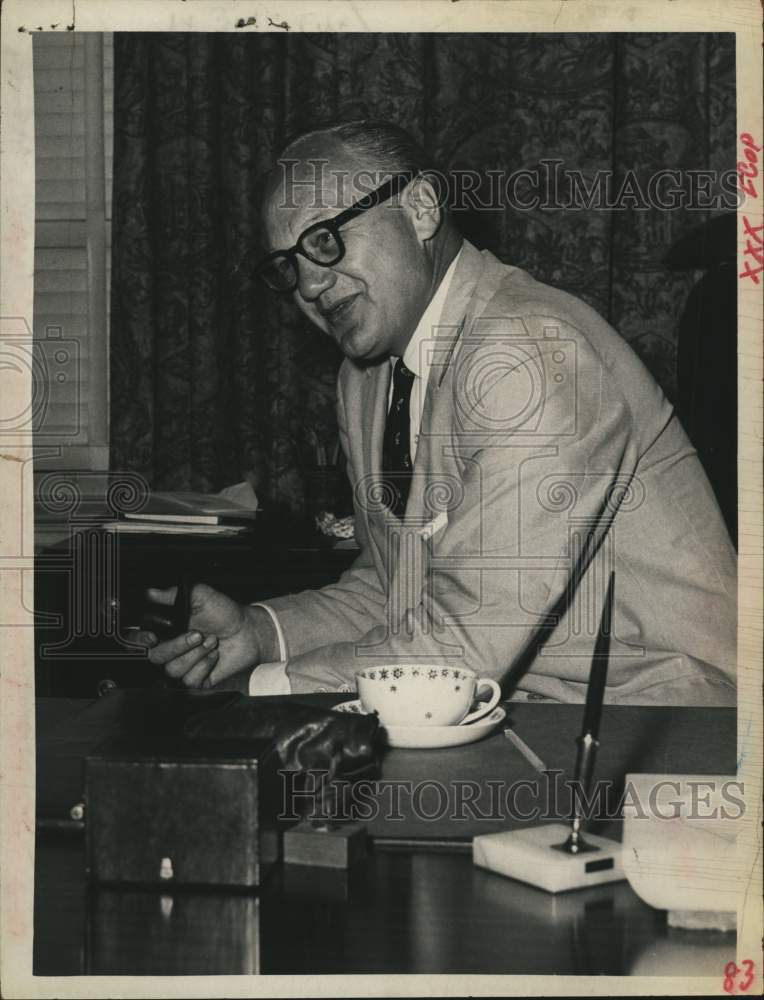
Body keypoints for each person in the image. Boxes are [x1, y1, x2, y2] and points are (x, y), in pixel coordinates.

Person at [133, 119, 736, 706]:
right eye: (288, 266)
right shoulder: (366, 380)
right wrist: (260, 633)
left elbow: (464, 646)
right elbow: (394, 590)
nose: (310, 287)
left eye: (324, 240)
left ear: (420, 207)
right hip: (510, 711)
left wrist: (264, 688)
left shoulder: (526, 349)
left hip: (660, 723)